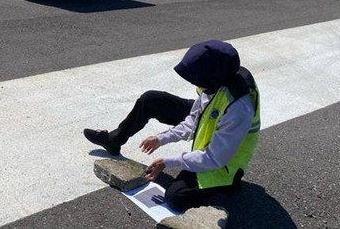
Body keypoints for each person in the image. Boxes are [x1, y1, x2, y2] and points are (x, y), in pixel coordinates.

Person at [84, 40, 260, 211]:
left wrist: (168, 162)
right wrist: (161, 138)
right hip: (214, 119)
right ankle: (114, 140)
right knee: (151, 100)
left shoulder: (239, 108)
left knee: (175, 197)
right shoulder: (218, 78)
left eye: (196, 78)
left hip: (223, 165)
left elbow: (214, 158)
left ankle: (227, 187)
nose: (193, 82)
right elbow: (194, 120)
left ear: (211, 78)